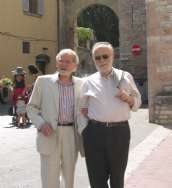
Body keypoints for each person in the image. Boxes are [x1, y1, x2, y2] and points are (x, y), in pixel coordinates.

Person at [78, 42, 142, 188]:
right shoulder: (87, 81)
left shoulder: (125, 77)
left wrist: (129, 98)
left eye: (105, 56)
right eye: (97, 58)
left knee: (117, 178)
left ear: (113, 57)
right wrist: (84, 131)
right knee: (96, 179)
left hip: (120, 132)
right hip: (94, 133)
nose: (101, 61)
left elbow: (137, 102)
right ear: (93, 60)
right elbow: (81, 109)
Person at [26, 49, 84, 188]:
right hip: (49, 132)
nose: (64, 64)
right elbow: (31, 107)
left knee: (68, 177)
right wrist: (41, 124)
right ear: (56, 64)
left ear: (75, 66)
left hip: (71, 133)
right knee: (49, 177)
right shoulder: (43, 81)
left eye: (68, 61)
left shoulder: (81, 84)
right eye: (61, 61)